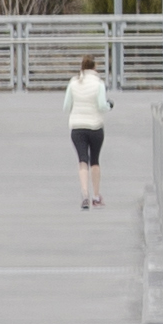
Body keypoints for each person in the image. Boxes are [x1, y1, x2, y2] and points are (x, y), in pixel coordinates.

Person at [63, 57, 112, 211]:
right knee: (95, 161)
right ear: (95, 67)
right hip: (95, 126)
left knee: (82, 160)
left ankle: (84, 194)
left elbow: (66, 106)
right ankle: (96, 197)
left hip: (77, 126)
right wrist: (110, 105)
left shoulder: (73, 83)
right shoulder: (99, 84)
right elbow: (102, 106)